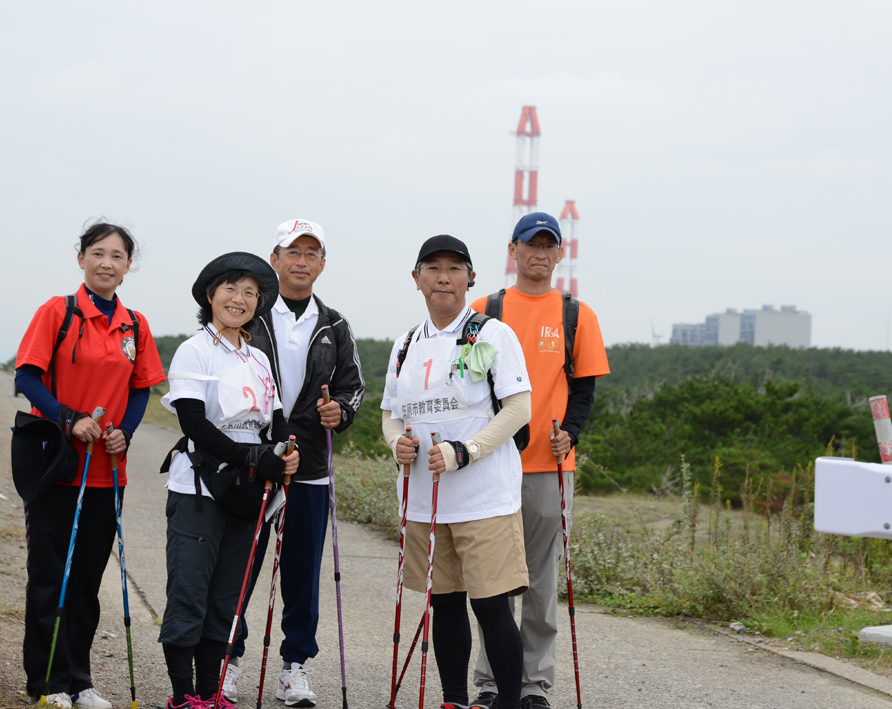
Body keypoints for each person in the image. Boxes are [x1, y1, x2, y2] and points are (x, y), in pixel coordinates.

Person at [14, 221, 167, 709]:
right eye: (97, 253)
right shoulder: (58, 312)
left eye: (117, 256)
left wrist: (126, 430)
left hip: (106, 472)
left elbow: (142, 388)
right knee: (50, 577)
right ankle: (46, 683)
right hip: (57, 465)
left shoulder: (135, 324)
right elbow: (27, 376)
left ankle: (79, 680)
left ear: (127, 266)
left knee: (86, 582)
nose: (106, 263)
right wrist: (67, 419)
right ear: (81, 258)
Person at [381, 235, 533, 709]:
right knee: (443, 605)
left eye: (454, 268)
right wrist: (396, 443)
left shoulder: (491, 334)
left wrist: (467, 451)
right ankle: (454, 700)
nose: (443, 277)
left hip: (484, 498)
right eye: (432, 268)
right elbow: (390, 413)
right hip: (426, 501)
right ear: (417, 278)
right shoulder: (406, 343)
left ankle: (508, 700)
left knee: (490, 606)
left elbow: (519, 408)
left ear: (471, 278)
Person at [469, 212, 610, 709]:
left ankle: (534, 686)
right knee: (492, 581)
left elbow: (585, 389)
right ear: (514, 250)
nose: (540, 254)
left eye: (549, 246)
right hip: (491, 463)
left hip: (548, 468)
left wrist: (569, 436)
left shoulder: (576, 314)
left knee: (540, 580)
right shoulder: (485, 309)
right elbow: (465, 382)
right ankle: (489, 683)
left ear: (559, 254)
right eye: (532, 245)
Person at [224, 219, 365, 708]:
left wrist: (339, 411)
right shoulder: (249, 315)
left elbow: (352, 388)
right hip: (255, 460)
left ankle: (295, 666)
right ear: (275, 259)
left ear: (322, 264)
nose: (301, 261)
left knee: (303, 572)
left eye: (312, 253)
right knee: (240, 565)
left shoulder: (335, 325)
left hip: (311, 466)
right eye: (292, 251)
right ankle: (228, 658)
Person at [159, 252, 301, 709]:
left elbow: (277, 421)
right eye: (231, 289)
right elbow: (194, 424)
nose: (239, 299)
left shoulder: (258, 356)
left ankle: (210, 692)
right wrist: (250, 459)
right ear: (210, 295)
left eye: (250, 293)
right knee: (190, 593)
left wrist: (284, 455)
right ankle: (184, 696)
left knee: (228, 599)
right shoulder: (194, 348)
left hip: (248, 494)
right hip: (200, 488)